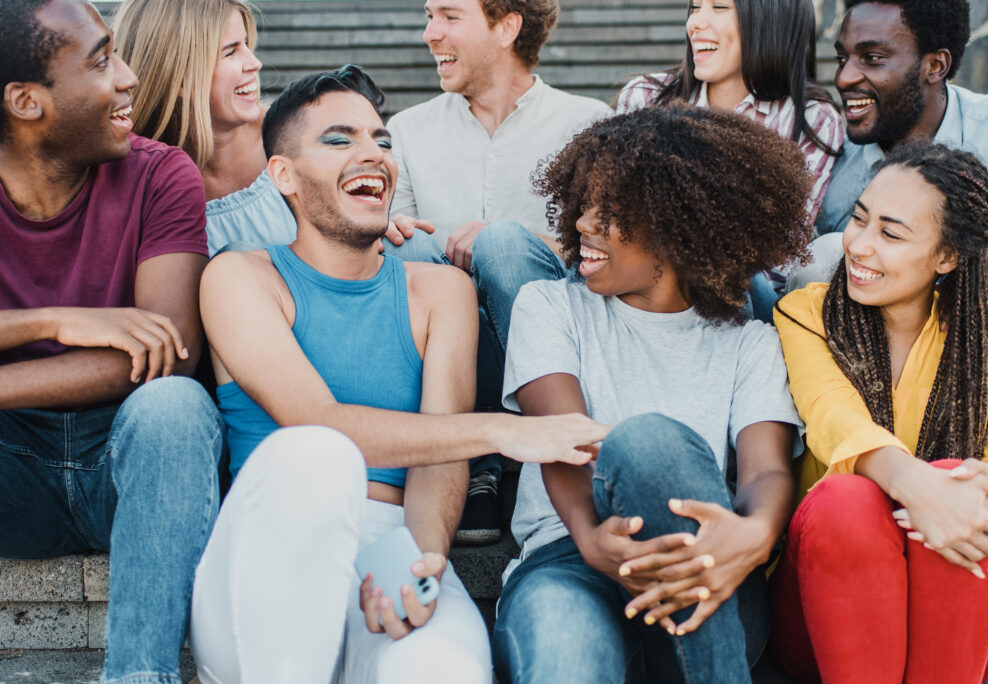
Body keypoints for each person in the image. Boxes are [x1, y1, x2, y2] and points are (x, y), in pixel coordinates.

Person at [192, 66, 610, 683]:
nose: (373, 154)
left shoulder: (440, 291)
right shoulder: (239, 277)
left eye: (382, 140)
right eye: (339, 140)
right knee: (316, 455)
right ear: (283, 175)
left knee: (444, 669)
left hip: (391, 540)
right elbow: (320, 424)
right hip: (272, 544)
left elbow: (439, 457)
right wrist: (500, 431)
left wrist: (425, 559)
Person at [492, 106, 810, 683]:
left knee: (648, 443)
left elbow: (766, 473)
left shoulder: (750, 345)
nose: (584, 223)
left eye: (609, 212)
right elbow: (565, 440)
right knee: (565, 657)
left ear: (678, 227)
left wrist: (755, 534)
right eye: (584, 202)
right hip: (570, 560)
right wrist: (590, 541)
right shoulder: (548, 307)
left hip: (704, 563)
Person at [0, 1, 222, 682]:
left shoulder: (162, 174)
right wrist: (51, 321)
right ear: (26, 102)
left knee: (175, 407)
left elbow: (169, 351)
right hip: (12, 465)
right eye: (101, 61)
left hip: (131, 465)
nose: (128, 79)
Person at [770, 142, 988, 683]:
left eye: (890, 233)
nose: (859, 246)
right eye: (859, 219)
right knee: (845, 497)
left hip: (967, 611)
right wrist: (922, 489)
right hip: (830, 599)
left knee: (962, 482)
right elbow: (832, 415)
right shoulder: (805, 313)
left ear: (947, 258)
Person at [388, 0, 610, 544]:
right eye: (428, 16)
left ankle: (547, 438)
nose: (429, 33)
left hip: (555, 342)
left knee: (506, 245)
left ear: (507, 27)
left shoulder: (588, 123)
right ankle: (475, 462)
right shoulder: (405, 130)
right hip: (449, 345)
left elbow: (615, 245)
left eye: (448, 16)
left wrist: (516, 239)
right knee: (410, 253)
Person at [113, 0, 440, 261]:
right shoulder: (137, 174)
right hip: (239, 334)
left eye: (246, 45)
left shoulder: (292, 132)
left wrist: (374, 223)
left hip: (328, 299)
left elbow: (356, 192)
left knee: (412, 248)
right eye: (231, 51)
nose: (254, 62)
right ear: (180, 76)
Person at [802, 0, 988, 341]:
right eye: (842, 59)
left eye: (872, 58)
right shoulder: (835, 162)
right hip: (876, 359)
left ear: (935, 65)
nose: (843, 79)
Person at [615, 0, 843, 322]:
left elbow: (781, 258)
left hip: (743, 299)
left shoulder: (811, 121)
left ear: (770, 18)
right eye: (695, 7)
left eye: (719, 7)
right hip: (641, 283)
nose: (695, 23)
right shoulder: (644, 97)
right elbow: (614, 218)